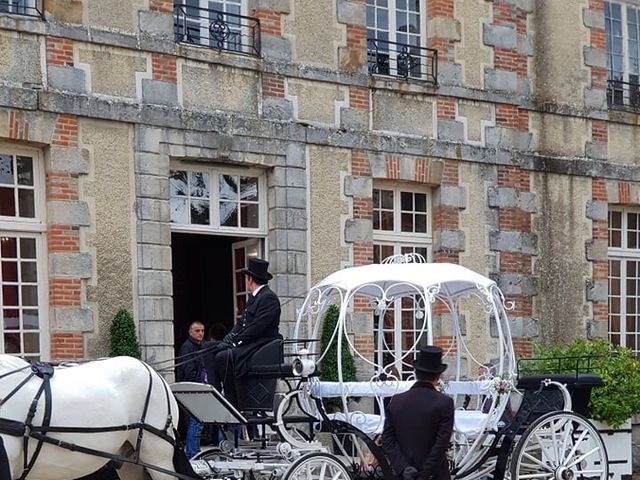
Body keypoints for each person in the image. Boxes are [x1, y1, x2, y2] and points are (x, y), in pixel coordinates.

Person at [210, 258, 281, 406]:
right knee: (209, 348)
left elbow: (257, 327)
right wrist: (228, 338)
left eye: (246, 278)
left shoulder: (268, 298)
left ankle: (232, 399)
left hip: (260, 344)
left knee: (224, 356)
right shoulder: (254, 298)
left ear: (250, 279)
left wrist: (235, 341)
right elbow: (241, 323)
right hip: (250, 342)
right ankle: (214, 391)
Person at [382, 346, 454, 480]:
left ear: (415, 372)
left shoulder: (397, 401)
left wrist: (404, 469)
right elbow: (441, 444)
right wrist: (424, 473)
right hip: (434, 475)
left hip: (404, 475)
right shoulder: (444, 403)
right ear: (438, 376)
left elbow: (387, 440)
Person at [177, 321, 207, 458]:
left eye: (202, 330)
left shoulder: (200, 346)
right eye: (197, 331)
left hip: (198, 388)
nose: (200, 333)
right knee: (196, 420)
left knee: (198, 421)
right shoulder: (188, 347)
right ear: (190, 332)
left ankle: (193, 451)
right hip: (192, 389)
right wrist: (201, 385)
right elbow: (189, 371)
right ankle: (192, 452)